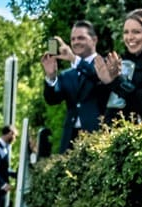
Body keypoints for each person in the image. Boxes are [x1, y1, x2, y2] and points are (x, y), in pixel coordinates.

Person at [41, 20, 115, 154]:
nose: (75, 42)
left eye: (81, 38)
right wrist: (51, 76)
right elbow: (52, 99)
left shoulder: (105, 64)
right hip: (71, 139)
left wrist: (74, 60)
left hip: (98, 135)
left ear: (94, 40)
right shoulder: (66, 75)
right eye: (73, 39)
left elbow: (97, 77)